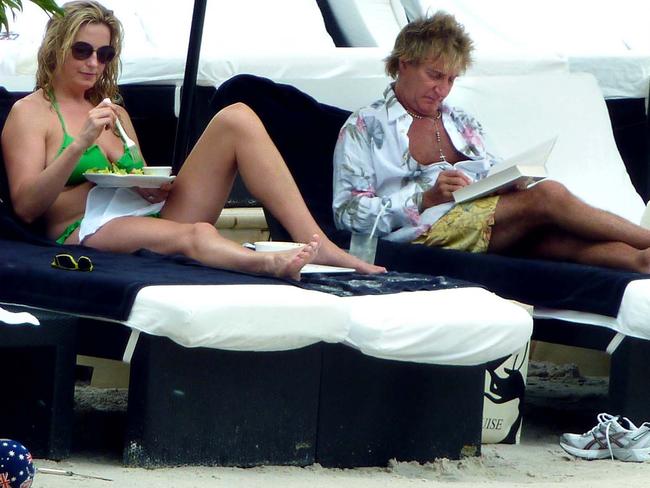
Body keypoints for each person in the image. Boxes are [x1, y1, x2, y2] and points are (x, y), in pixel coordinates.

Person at [1, 0, 384, 281]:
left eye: (105, 54)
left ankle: (318, 241)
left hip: (141, 213)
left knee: (237, 117)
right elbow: (27, 207)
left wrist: (149, 186)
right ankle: (268, 264)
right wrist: (79, 145)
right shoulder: (32, 113)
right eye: (82, 50)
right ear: (57, 48)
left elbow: (139, 178)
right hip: (83, 227)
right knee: (199, 232)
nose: (93, 63)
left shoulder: (114, 114)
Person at [333, 12, 650, 273]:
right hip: (420, 234)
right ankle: (646, 239)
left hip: (483, 220)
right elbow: (346, 214)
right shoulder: (364, 126)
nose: (442, 89)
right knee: (549, 196)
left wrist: (507, 183)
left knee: (547, 237)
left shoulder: (462, 122)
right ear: (404, 64)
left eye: (451, 79)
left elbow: (492, 172)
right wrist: (422, 199)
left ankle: (640, 261)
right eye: (434, 75)